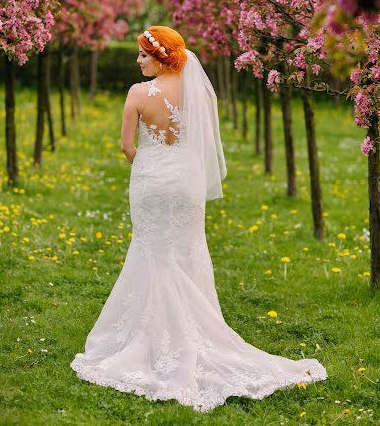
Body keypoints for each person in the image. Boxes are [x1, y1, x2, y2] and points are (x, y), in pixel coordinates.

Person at [70, 25, 327, 412]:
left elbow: (127, 145)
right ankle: (196, 329)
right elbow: (201, 145)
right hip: (188, 184)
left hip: (151, 182)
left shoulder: (138, 94)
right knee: (187, 250)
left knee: (153, 252)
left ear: (161, 57)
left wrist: (149, 169)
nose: (139, 61)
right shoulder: (198, 94)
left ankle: (156, 336)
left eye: (143, 55)